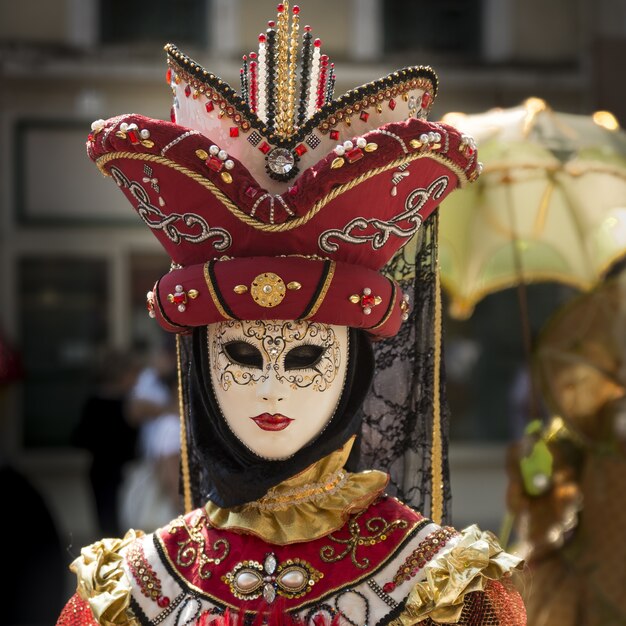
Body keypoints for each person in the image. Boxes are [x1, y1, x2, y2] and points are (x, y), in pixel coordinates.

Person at [57, 4, 526, 625]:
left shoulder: (443, 590)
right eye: (240, 354)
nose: (271, 386)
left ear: (355, 366)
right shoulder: (133, 593)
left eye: (306, 356)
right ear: (199, 362)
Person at [72, 348, 141, 537]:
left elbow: (79, 438)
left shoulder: (93, 403)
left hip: (100, 470)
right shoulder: (129, 406)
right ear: (123, 375)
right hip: (120, 472)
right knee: (119, 524)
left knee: (107, 525)